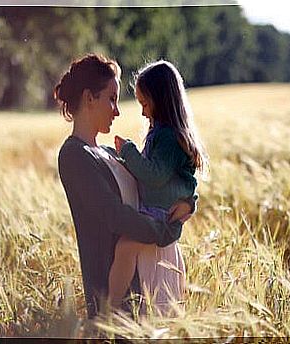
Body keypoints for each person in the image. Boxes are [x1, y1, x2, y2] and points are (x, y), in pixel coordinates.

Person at [54, 54, 196, 319]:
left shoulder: (110, 152)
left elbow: (161, 182)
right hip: (117, 294)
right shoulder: (74, 155)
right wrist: (165, 229)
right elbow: (114, 216)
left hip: (154, 271)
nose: (117, 111)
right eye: (112, 99)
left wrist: (189, 201)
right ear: (89, 98)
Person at [108, 60, 207, 314]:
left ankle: (109, 309)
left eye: (144, 104)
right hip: (159, 212)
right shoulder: (164, 133)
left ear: (161, 100)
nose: (143, 112)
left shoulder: (168, 137)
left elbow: (153, 176)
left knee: (125, 248)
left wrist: (129, 151)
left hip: (160, 215)